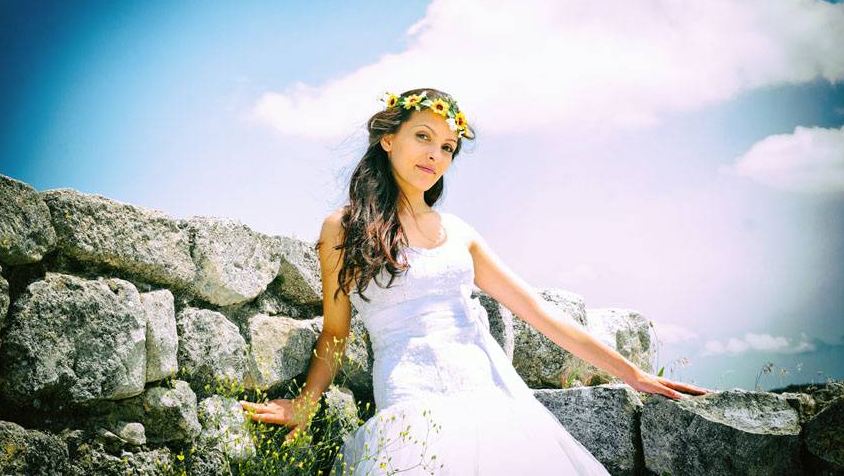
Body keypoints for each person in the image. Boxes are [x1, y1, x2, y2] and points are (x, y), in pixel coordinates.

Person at [240, 88, 710, 475]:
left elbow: (540, 313)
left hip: (493, 397)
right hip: (412, 399)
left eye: (447, 147)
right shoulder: (343, 227)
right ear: (388, 139)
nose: (436, 154)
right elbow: (335, 331)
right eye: (423, 136)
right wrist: (306, 402)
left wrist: (632, 373)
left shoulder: (460, 233)